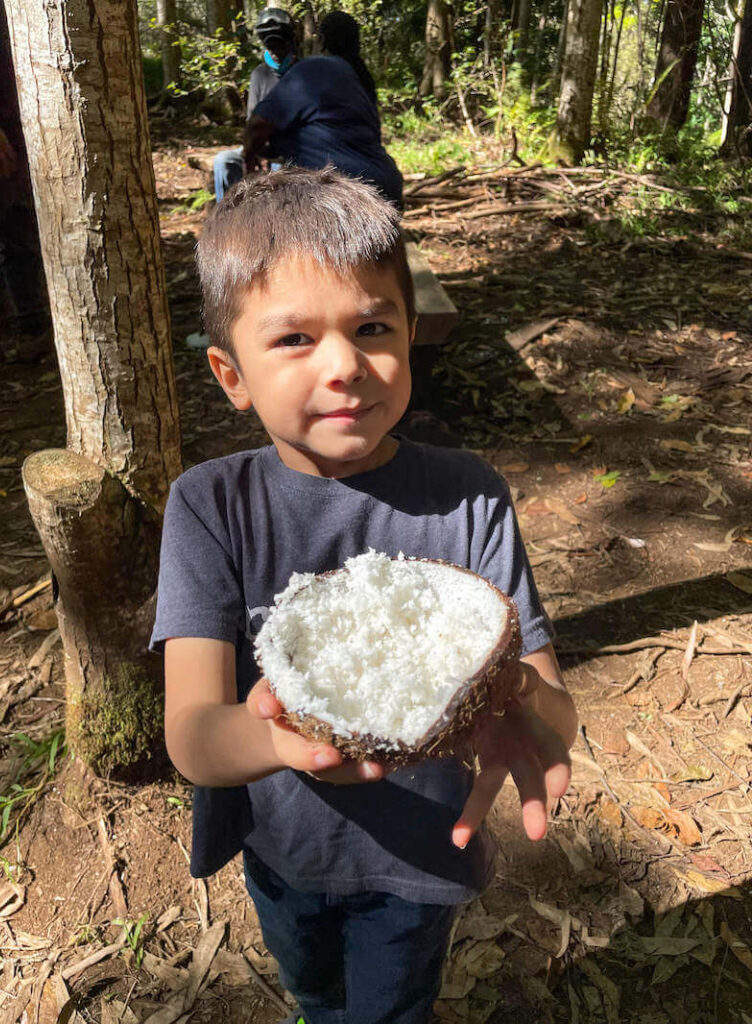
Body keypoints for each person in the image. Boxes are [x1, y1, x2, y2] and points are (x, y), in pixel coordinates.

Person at [152, 166, 577, 1024]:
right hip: (281, 849)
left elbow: (552, 700)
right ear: (230, 375)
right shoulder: (209, 505)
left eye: (373, 326)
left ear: (411, 336)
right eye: (294, 339)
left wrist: (520, 707)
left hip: (423, 858)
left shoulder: (470, 496)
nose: (345, 365)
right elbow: (194, 736)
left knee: (388, 1008)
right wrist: (282, 736)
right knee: (311, 984)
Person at [244, 23, 403, 207]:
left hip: (333, 186)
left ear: (321, 41)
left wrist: (249, 158)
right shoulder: (360, 77)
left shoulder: (312, 68)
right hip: (385, 182)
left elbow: (257, 125)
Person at [0, 0, 51, 344]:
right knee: (7, 221)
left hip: (21, 120)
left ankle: (30, 322)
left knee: (22, 222)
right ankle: (21, 325)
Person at [213, 7, 298, 201]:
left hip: (292, 151)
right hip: (261, 148)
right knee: (223, 162)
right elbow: (252, 121)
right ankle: (224, 217)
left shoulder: (301, 72)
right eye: (271, 47)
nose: (275, 53)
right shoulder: (259, 74)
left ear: (289, 44)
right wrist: (256, 152)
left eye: (279, 46)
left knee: (280, 171)